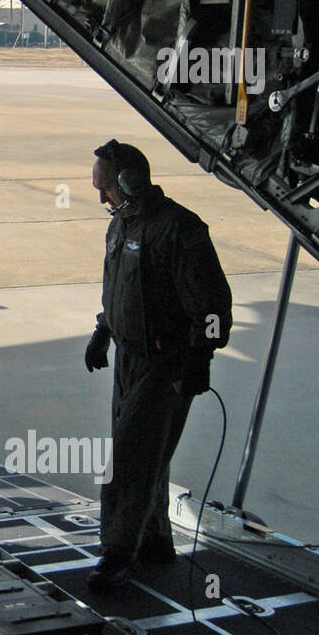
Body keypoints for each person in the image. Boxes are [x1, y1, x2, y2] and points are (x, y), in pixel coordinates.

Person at [83, 139, 232, 591]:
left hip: (165, 363)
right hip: (128, 358)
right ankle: (153, 541)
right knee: (149, 458)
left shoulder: (179, 230)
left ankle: (117, 553)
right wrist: (104, 331)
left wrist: (199, 359)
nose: (101, 198)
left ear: (131, 183)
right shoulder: (121, 226)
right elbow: (120, 288)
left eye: (106, 188)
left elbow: (211, 307)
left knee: (128, 460)